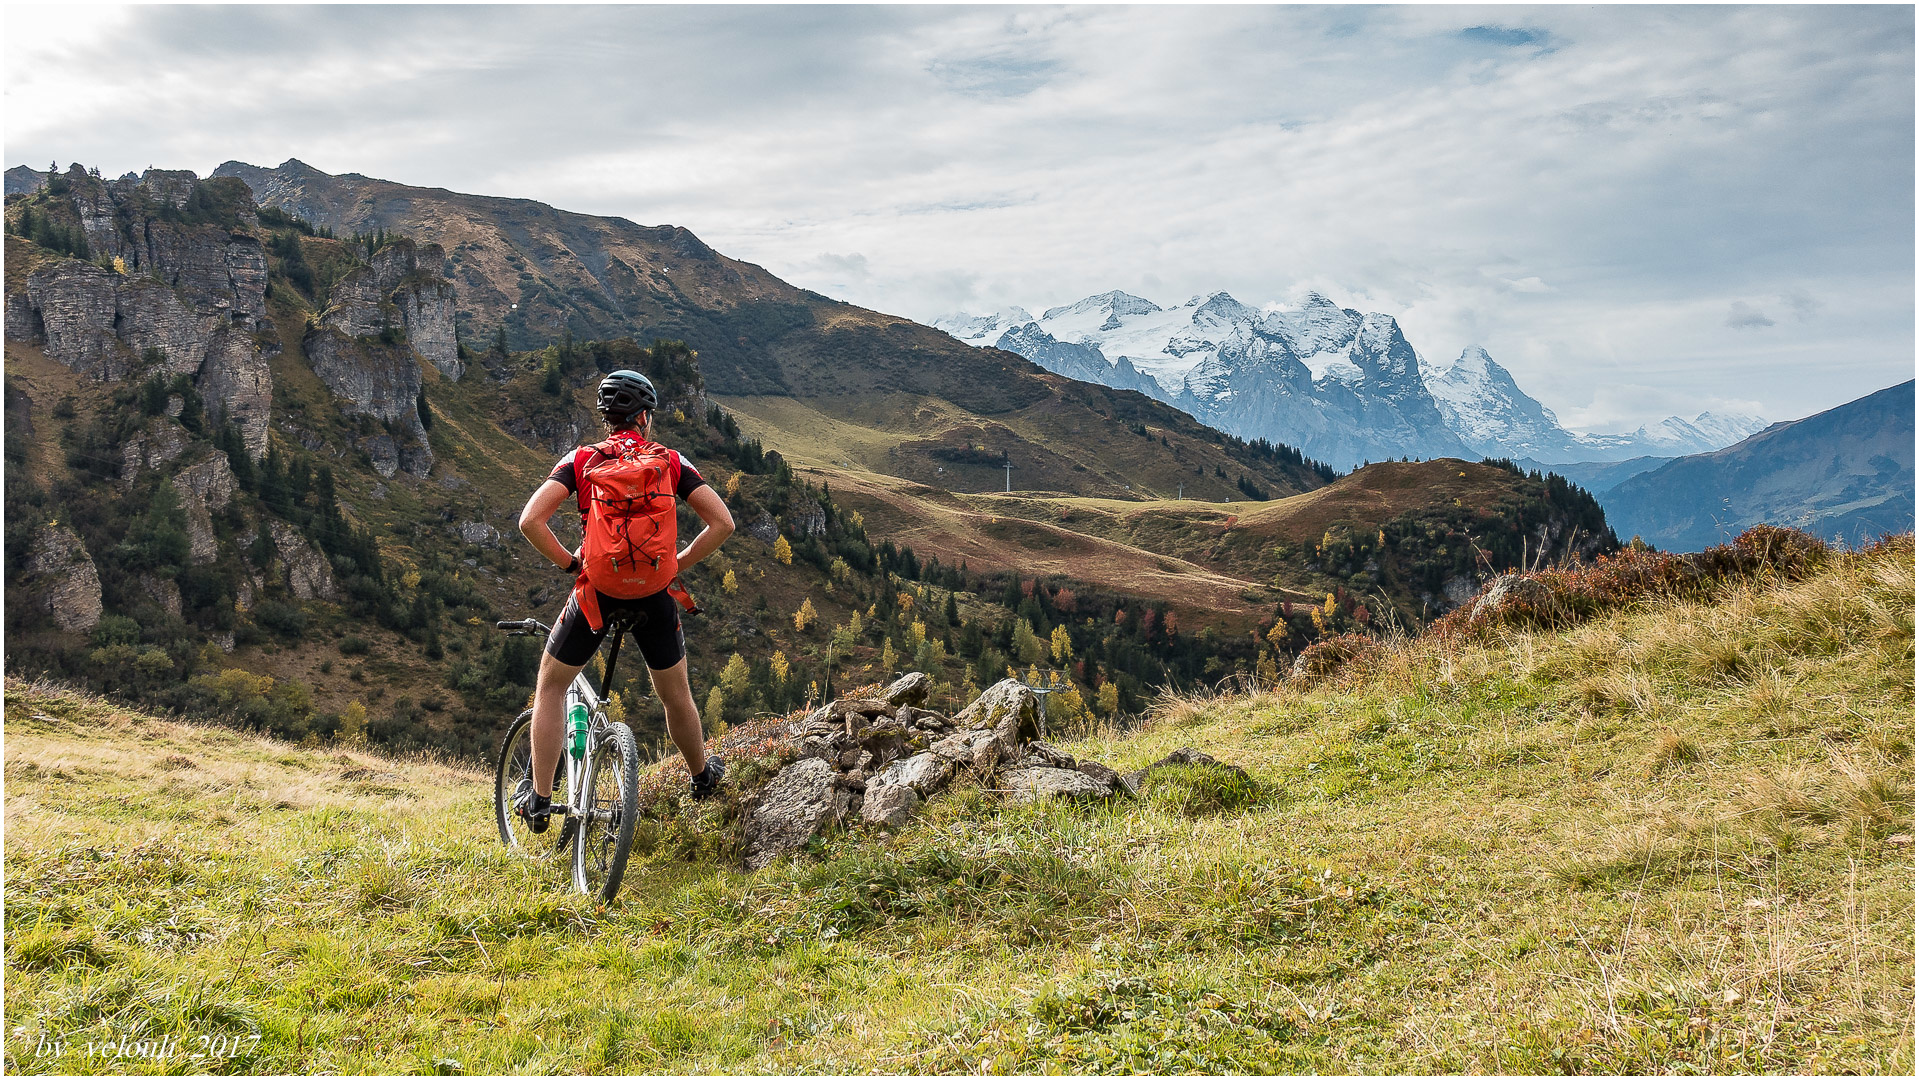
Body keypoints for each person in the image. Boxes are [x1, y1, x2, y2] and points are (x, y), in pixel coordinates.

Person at [515, 369, 734, 829]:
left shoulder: (580, 461)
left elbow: (530, 521)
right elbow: (723, 524)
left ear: (606, 418)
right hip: (656, 595)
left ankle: (538, 800)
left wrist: (570, 564)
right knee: (676, 696)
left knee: (551, 686)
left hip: (597, 594)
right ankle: (702, 778)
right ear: (645, 418)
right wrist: (678, 563)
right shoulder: (672, 462)